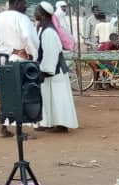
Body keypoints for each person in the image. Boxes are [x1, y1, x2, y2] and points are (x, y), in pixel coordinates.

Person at [0, 0, 38, 138]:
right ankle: (19, 132)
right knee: (21, 96)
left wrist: (11, 51)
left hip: (3, 64)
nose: (26, 6)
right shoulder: (22, 18)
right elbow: (29, 37)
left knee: (6, 96)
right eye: (24, 3)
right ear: (16, 2)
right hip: (21, 64)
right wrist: (31, 55)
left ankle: (3, 128)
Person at [33, 1, 78, 133]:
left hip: (54, 71)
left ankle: (62, 125)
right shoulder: (43, 28)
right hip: (50, 70)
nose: (35, 13)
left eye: (37, 10)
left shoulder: (49, 32)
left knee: (58, 99)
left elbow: (51, 53)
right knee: (49, 98)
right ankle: (48, 123)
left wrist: (45, 70)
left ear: (43, 14)